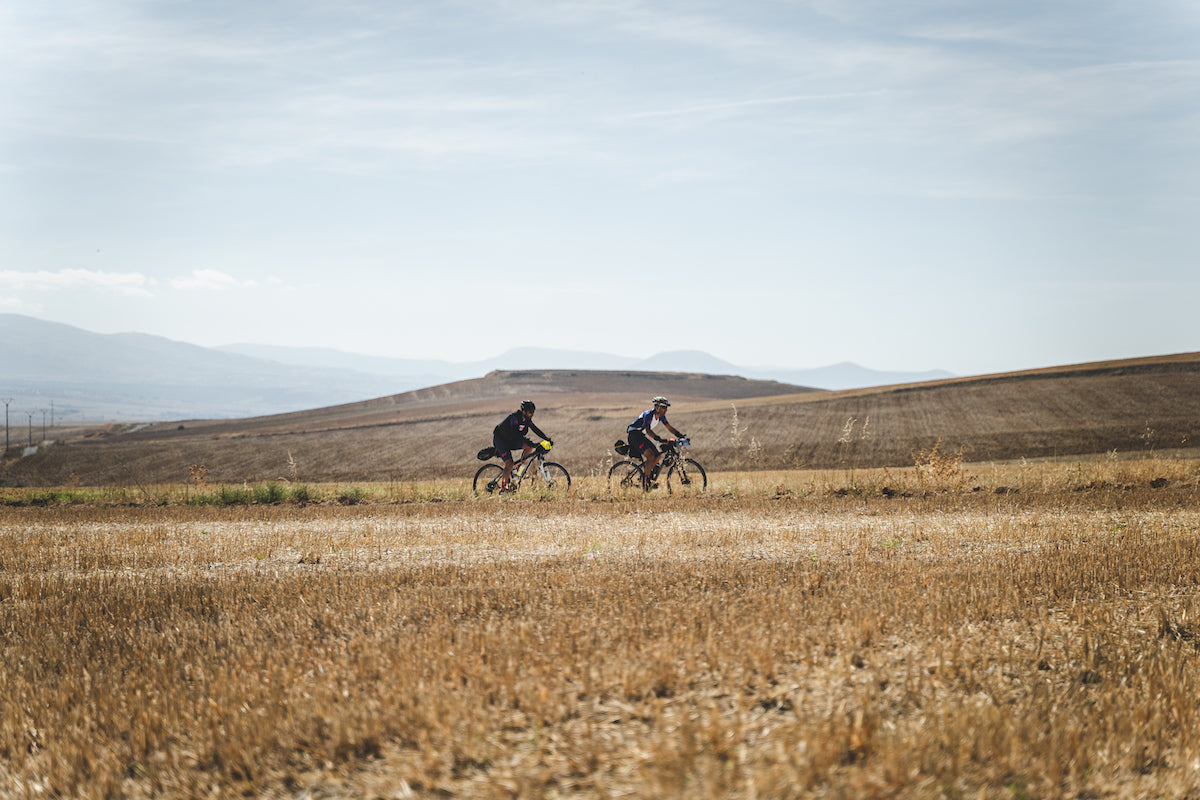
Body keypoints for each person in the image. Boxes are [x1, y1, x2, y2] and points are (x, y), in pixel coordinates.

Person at [626, 396, 686, 489]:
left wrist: (680, 435)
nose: (666, 409)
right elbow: (648, 430)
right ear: (657, 407)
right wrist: (659, 439)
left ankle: (646, 474)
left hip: (641, 436)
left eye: (666, 407)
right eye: (663, 407)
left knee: (657, 456)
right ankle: (646, 482)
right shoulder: (648, 414)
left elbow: (669, 427)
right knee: (650, 456)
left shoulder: (661, 416)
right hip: (634, 436)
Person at [493, 400, 553, 491]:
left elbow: (535, 429)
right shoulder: (514, 418)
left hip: (510, 439)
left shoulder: (527, 420)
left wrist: (546, 439)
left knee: (529, 448)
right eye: (530, 412)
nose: (532, 414)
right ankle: (503, 489)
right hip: (501, 440)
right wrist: (530, 442)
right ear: (523, 411)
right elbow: (515, 434)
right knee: (509, 464)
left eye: (533, 412)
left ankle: (518, 469)